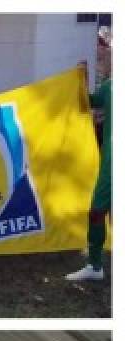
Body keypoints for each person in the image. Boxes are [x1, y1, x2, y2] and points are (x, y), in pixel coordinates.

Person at [68, 34, 112, 282]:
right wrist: (81, 80)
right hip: (110, 166)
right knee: (96, 212)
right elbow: (85, 105)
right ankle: (95, 266)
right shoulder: (110, 86)